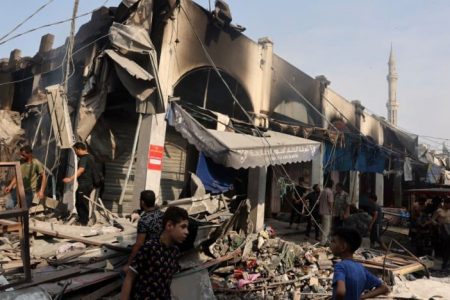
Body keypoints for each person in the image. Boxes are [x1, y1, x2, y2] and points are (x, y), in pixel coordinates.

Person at [120, 206, 189, 300]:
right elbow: (130, 277)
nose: (187, 232)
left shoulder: (175, 252)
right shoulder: (150, 247)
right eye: (183, 227)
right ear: (169, 225)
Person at [331, 227, 389, 300]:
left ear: (343, 247)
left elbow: (341, 292)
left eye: (333, 241)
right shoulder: (360, 268)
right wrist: (360, 297)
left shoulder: (340, 266)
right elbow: (384, 288)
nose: (331, 244)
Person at [122, 190, 163, 273]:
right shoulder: (162, 214)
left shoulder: (144, 220)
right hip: (162, 253)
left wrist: (129, 264)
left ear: (142, 202)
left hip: (150, 256)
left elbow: (139, 244)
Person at [63, 142, 95, 226]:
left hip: (84, 183)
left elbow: (81, 170)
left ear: (78, 149)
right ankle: (83, 220)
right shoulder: (91, 157)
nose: (75, 153)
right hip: (89, 184)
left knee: (81, 202)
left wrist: (70, 178)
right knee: (82, 201)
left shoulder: (84, 158)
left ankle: (83, 221)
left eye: (75, 151)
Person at [432, 197, 450, 269]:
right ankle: (445, 263)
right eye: (449, 204)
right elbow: (432, 220)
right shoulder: (439, 211)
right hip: (443, 228)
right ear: (445, 203)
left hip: (449, 227)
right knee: (446, 246)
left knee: (448, 246)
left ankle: (446, 262)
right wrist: (438, 224)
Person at [319, 179, 334, 245]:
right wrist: (332, 211)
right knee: (326, 229)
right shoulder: (330, 192)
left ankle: (325, 241)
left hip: (321, 212)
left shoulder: (323, 191)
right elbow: (330, 203)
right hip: (327, 212)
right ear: (332, 185)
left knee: (323, 227)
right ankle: (323, 242)